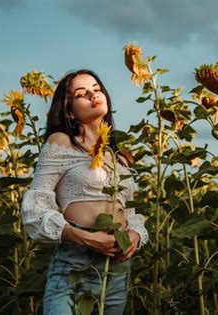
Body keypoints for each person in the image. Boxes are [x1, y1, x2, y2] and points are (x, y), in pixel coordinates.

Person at [21, 69, 148, 314]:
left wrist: (134, 236)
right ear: (69, 111)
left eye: (97, 89)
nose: (93, 95)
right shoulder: (61, 142)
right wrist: (86, 237)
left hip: (117, 269)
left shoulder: (118, 158)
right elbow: (35, 208)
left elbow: (131, 213)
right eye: (82, 93)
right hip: (76, 263)